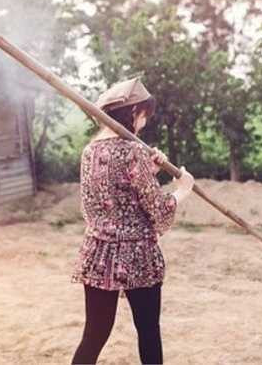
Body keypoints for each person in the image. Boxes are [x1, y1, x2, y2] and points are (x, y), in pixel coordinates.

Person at [70, 77, 195, 364]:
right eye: (144, 115)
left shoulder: (90, 151)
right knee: (148, 331)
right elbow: (158, 208)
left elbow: (96, 203)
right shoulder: (133, 150)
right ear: (134, 112)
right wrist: (182, 191)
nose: (145, 122)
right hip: (137, 255)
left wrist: (148, 171)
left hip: (99, 252)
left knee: (94, 334)